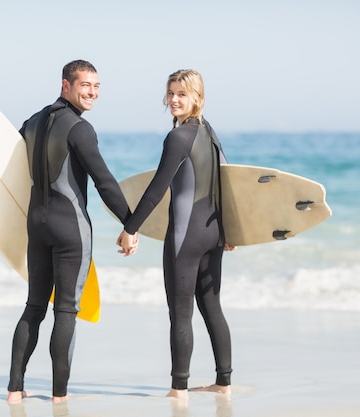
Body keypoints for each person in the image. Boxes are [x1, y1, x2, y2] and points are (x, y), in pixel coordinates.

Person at [0, 59, 136, 403]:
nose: (92, 92)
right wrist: (131, 224)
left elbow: (7, 176)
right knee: (65, 310)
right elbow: (105, 182)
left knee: (34, 306)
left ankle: (15, 391)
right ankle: (59, 396)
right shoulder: (80, 128)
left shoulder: (32, 123)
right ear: (65, 85)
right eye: (85, 85)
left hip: (37, 226)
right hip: (70, 229)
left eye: (96, 86)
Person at [117, 69, 235, 400]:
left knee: (180, 312)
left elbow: (157, 188)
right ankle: (223, 383)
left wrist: (130, 228)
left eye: (181, 94)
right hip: (213, 234)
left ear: (197, 98)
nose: (173, 100)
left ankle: (178, 389)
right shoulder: (209, 132)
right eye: (170, 93)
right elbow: (229, 179)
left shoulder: (177, 137)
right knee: (212, 307)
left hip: (186, 237)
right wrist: (231, 230)